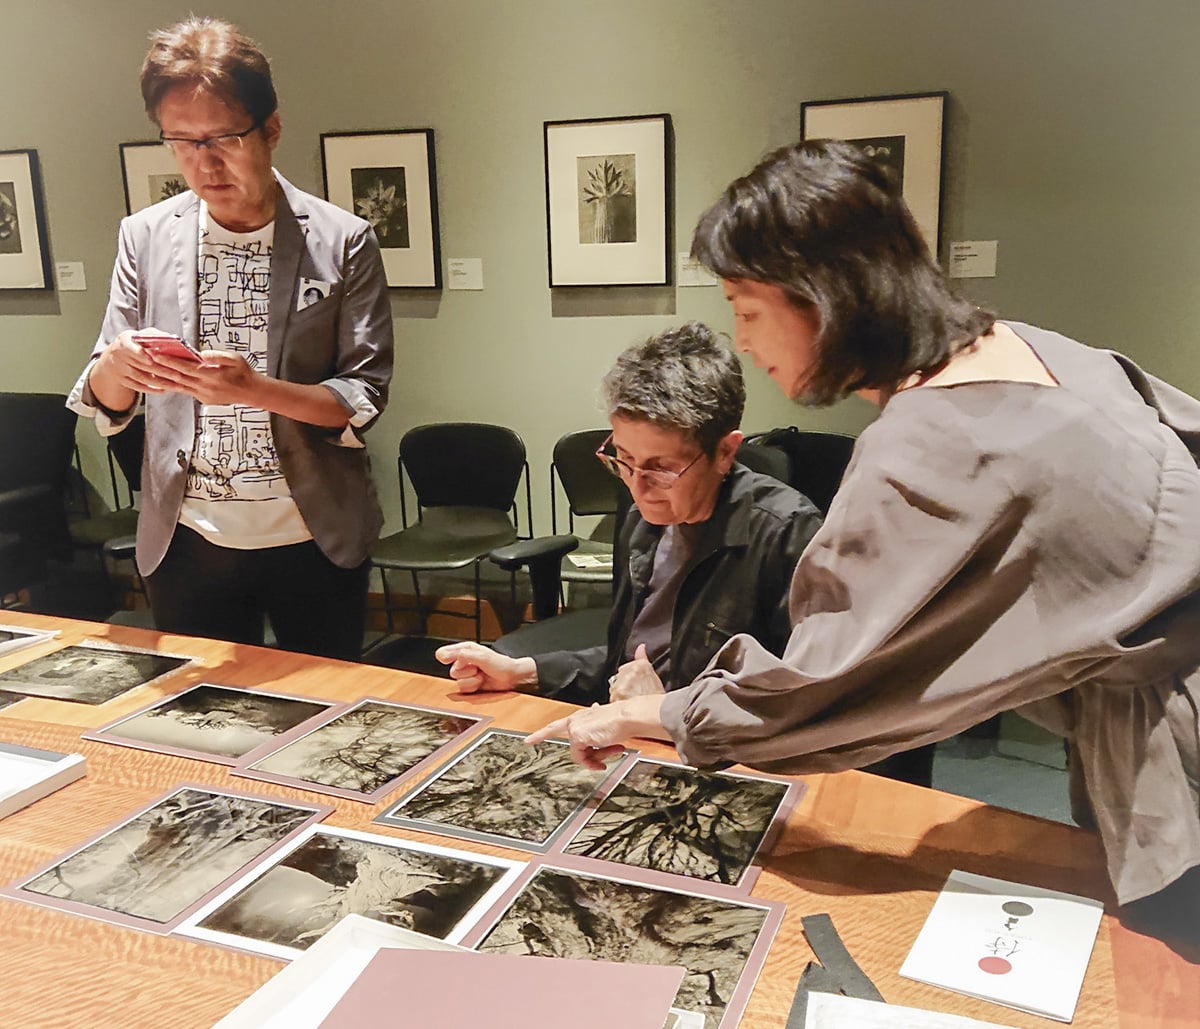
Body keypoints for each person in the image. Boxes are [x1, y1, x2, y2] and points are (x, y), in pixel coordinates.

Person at [528, 140, 1200, 943]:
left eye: (747, 308)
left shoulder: (925, 443)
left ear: (820, 298)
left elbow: (814, 690)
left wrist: (646, 714)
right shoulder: (1034, 348)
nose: (744, 341)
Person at [67, 17, 393, 660]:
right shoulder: (144, 236)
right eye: (183, 142)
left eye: (224, 138)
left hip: (312, 532)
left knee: (327, 704)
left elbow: (363, 396)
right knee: (200, 709)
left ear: (271, 128)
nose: (205, 162)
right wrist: (117, 365)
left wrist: (255, 390)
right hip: (187, 537)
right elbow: (107, 397)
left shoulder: (342, 239)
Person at [436, 322, 823, 707]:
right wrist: (522, 672)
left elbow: (805, 707)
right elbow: (625, 664)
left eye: (661, 469)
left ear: (725, 452)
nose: (638, 488)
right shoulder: (643, 522)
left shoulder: (787, 534)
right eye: (623, 459)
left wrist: (665, 710)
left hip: (702, 740)